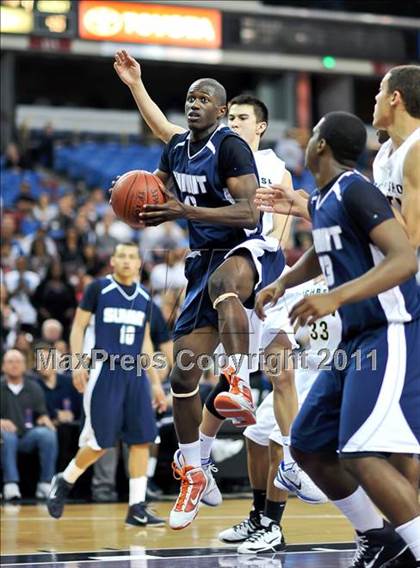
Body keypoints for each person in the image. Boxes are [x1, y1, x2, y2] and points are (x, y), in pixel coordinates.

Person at [114, 50, 323, 545]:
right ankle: (195, 469)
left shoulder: (257, 157)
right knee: (184, 371)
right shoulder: (186, 146)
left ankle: (276, 433)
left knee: (280, 368)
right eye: (192, 97)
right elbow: (162, 156)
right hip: (206, 259)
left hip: (257, 257)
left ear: (254, 123)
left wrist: (183, 209)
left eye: (215, 102)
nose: (199, 105)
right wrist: (142, 201)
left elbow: (254, 216)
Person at [255, 111, 420, 567]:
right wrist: (283, 283)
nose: (305, 143)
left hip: (392, 329)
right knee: (307, 443)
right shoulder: (327, 197)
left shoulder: (356, 188)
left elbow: (404, 258)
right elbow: (324, 248)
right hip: (355, 339)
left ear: (321, 146)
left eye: (311, 136)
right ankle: (379, 538)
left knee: (362, 450)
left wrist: (334, 297)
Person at [46, 242, 167, 526]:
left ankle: (136, 507)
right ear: (113, 261)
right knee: (100, 443)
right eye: (121, 256)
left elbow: (146, 342)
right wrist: (77, 363)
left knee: (142, 440)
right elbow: (78, 327)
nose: (126, 261)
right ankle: (64, 480)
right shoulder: (98, 289)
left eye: (132, 257)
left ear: (139, 264)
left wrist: (157, 383)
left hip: (136, 373)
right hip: (105, 370)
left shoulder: (145, 298)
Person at [1, 349, 58, 501]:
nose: (14, 365)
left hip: (27, 435)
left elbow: (41, 412)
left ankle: (45, 483)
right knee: (7, 436)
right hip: (4, 438)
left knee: (47, 434)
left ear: (25, 366)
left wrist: (44, 419)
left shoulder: (34, 387)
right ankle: (10, 484)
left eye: (18, 362)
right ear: (3, 366)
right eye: (10, 362)